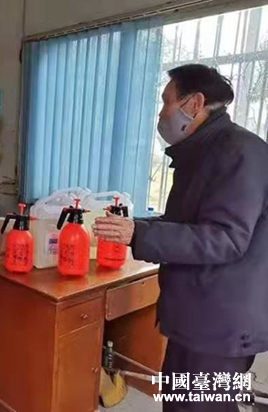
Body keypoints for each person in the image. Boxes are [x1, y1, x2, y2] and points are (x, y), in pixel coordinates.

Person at [93, 64, 268, 412]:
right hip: (197, 315)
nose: (161, 114)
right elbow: (185, 222)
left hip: (219, 322)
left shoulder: (239, 152)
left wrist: (139, 233)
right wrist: (133, 226)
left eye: (166, 102)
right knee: (179, 402)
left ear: (194, 103)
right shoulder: (201, 153)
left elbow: (225, 239)